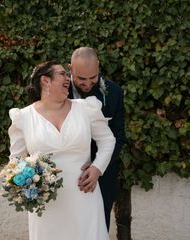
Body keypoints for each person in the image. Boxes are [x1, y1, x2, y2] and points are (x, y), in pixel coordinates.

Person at [8, 60, 116, 240]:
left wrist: (97, 168)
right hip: (47, 203)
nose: (68, 77)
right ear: (45, 81)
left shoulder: (86, 108)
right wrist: (26, 184)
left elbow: (107, 140)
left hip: (84, 194)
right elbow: (16, 161)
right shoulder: (23, 117)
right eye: (62, 74)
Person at [68, 47, 126, 230]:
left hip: (103, 175)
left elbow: (118, 136)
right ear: (70, 69)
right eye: (81, 79)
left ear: (98, 67)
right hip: (68, 172)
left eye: (92, 78)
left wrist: (97, 166)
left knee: (99, 224)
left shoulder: (114, 92)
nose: (87, 84)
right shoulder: (57, 90)